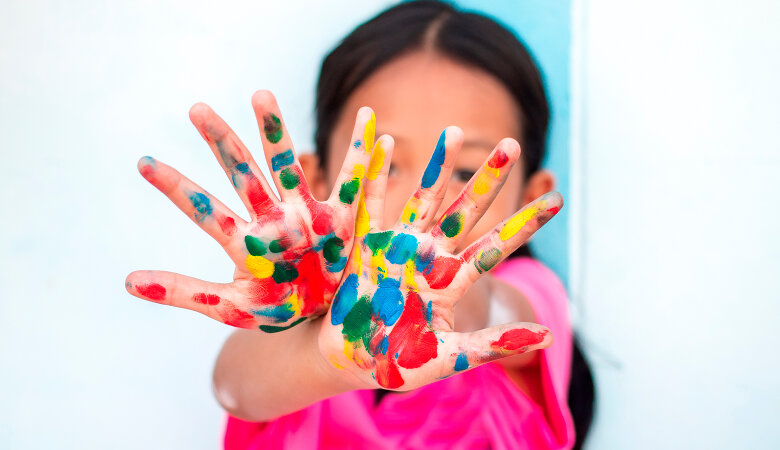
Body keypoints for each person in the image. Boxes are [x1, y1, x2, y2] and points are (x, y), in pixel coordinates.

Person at [125, 1, 594, 448]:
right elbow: (235, 389)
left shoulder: (533, 291)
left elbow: (490, 311)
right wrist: (329, 353)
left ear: (530, 196)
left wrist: (425, 303)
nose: (417, 198)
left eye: (469, 170)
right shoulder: (305, 300)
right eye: (384, 165)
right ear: (319, 179)